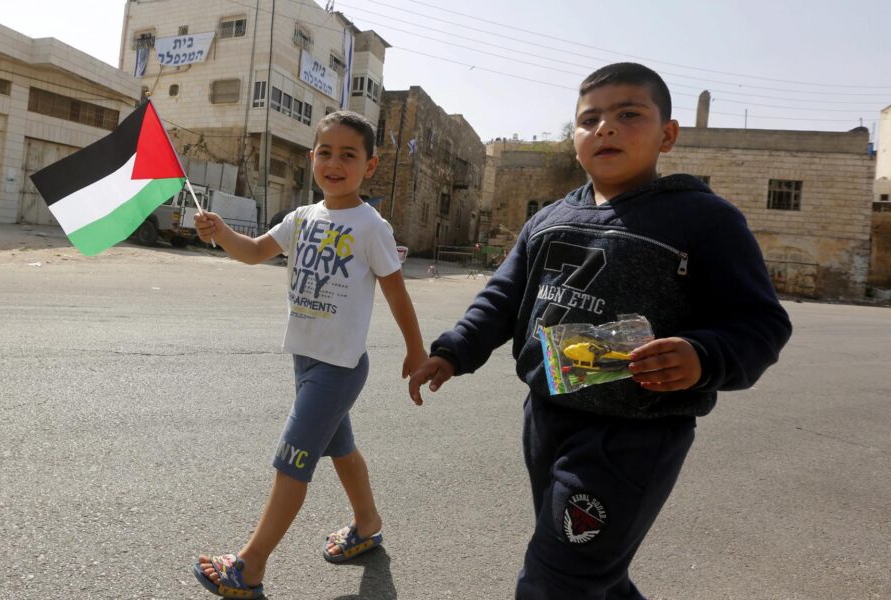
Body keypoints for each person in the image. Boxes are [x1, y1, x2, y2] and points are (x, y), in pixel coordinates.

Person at [408, 63, 792, 599]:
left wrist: (704, 355)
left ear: (668, 134)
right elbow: (502, 298)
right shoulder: (548, 220)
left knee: (557, 578)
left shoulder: (705, 220)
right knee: (593, 573)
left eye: (628, 114)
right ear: (575, 138)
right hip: (546, 418)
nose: (605, 128)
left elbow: (761, 322)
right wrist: (452, 351)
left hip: (635, 434)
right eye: (589, 120)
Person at [192, 111, 426, 598]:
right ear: (310, 158)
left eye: (348, 154)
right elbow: (255, 251)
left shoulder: (370, 226)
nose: (335, 163)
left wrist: (415, 348)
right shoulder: (301, 217)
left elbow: (397, 293)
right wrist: (220, 233)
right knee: (341, 451)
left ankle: (249, 567)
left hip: (339, 368)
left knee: (291, 459)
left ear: (371, 164)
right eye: (326, 152)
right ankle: (367, 524)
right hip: (305, 360)